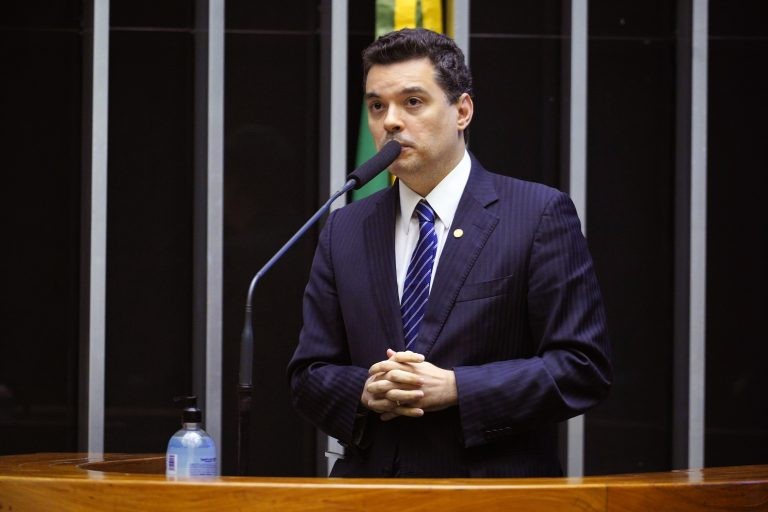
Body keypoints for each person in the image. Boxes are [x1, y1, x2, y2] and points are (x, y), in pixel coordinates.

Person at [287, 28, 611, 478]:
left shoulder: (537, 215)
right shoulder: (345, 227)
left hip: (493, 494)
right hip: (371, 492)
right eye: (377, 105)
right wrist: (365, 389)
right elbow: (308, 375)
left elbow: (582, 368)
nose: (391, 122)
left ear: (462, 110)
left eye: (412, 102)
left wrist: (458, 388)